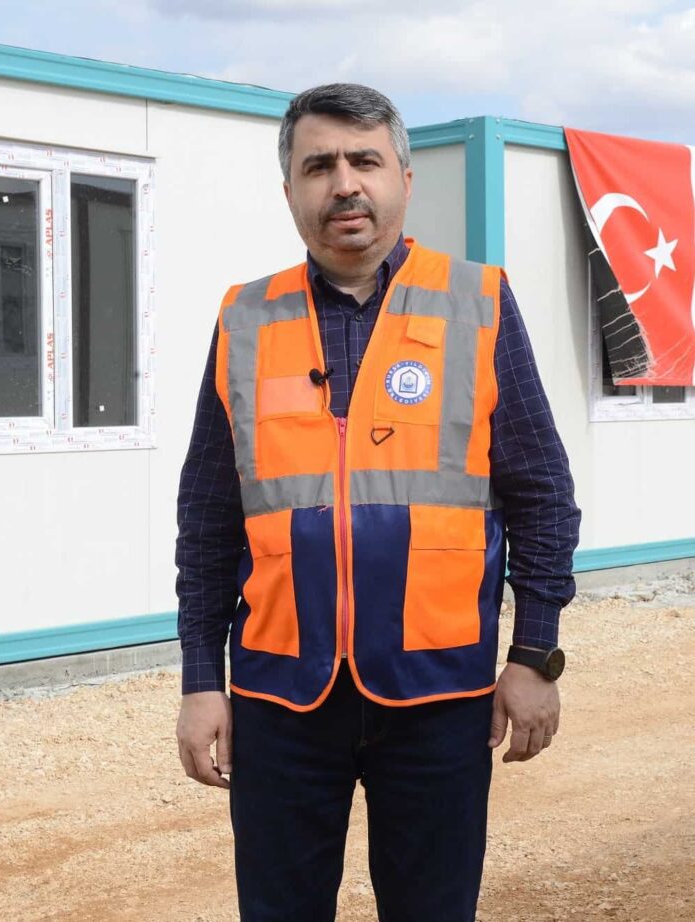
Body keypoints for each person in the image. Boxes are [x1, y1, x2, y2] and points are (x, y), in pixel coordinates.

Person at [174, 83, 581, 922]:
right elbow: (209, 520)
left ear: (404, 177)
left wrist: (534, 652)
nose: (344, 184)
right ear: (289, 189)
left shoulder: (478, 302)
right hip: (281, 698)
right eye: (318, 165)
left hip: (439, 692)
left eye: (365, 160)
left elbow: (542, 492)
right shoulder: (245, 318)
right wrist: (200, 681)